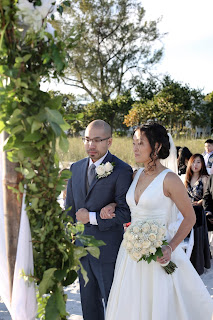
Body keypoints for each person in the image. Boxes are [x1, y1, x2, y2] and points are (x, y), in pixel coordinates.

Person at [101, 122, 213, 320]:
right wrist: (113, 206)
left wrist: (170, 247)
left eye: (140, 143)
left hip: (161, 254)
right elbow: (132, 207)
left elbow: (190, 217)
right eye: (134, 143)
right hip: (130, 255)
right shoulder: (135, 175)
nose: (135, 148)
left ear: (157, 146)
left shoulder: (169, 179)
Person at [66, 120, 132, 320]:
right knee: (89, 307)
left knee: (113, 305)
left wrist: (91, 218)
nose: (90, 145)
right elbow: (70, 209)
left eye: (97, 140)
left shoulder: (121, 169)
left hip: (108, 251)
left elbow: (125, 212)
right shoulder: (75, 168)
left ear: (109, 141)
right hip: (81, 251)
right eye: (86, 139)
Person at [184, 154, 211, 274]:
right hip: (187, 210)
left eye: (198, 162)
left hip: (199, 211)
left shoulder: (205, 178)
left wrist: (196, 204)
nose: (195, 165)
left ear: (202, 164)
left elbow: (207, 197)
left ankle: (198, 261)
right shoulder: (187, 178)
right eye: (193, 162)